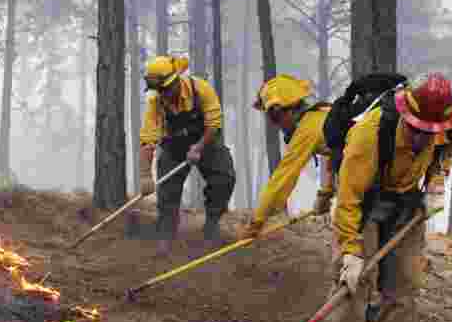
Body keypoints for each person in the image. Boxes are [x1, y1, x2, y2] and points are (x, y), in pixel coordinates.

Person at [313, 73, 452, 322]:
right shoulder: (369, 134)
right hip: (365, 207)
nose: (425, 138)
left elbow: (447, 152)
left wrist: (436, 184)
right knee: (354, 284)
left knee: (405, 286)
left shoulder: (449, 122)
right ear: (406, 115)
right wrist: (350, 252)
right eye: (419, 130)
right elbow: (348, 200)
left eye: (431, 132)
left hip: (406, 205)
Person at [138, 55, 236, 255]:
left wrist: (198, 148)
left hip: (206, 141)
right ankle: (166, 237)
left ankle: (211, 226)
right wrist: (145, 175)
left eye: (165, 90)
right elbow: (148, 139)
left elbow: (214, 125)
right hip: (174, 148)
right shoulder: (156, 103)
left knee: (224, 178)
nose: (162, 95)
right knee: (167, 194)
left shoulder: (201, 89)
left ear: (175, 81)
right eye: (159, 91)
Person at [237, 75, 334, 241]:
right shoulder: (324, 115)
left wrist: (256, 223)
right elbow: (338, 150)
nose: (275, 125)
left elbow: (282, 179)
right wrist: (327, 192)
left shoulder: (308, 129)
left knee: (348, 223)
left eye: (275, 117)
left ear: (290, 109)